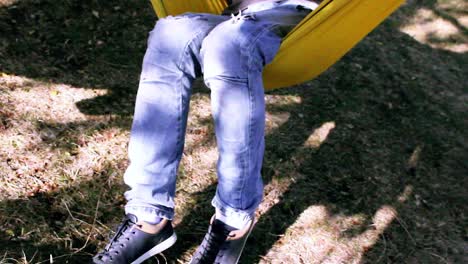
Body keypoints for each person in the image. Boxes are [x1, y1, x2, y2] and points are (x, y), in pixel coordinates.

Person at [92, 0, 319, 263]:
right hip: (236, 13)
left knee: (230, 45)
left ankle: (233, 220)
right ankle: (148, 216)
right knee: (169, 33)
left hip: (288, 15)